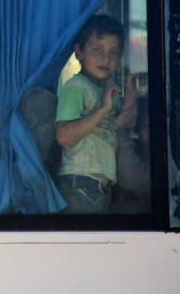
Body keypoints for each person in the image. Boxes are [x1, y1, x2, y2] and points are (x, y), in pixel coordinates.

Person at [55, 14, 139, 214]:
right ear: (78, 52)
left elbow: (120, 126)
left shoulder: (109, 90)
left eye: (114, 52)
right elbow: (63, 135)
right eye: (97, 50)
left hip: (102, 186)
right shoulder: (76, 88)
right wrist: (102, 110)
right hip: (80, 184)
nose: (105, 59)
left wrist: (130, 100)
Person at [113, 94, 151, 213]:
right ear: (137, 130)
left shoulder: (171, 161)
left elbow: (131, 179)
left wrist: (121, 130)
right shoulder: (131, 148)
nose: (152, 133)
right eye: (146, 127)